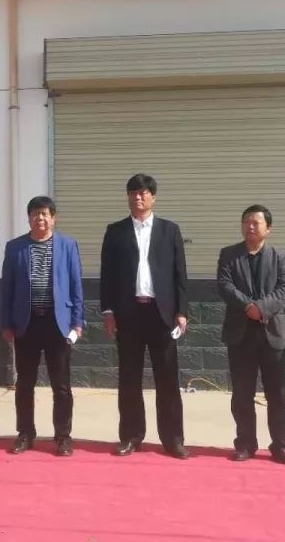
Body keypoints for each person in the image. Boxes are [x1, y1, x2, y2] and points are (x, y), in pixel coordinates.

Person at [99, 174, 189, 459]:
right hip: (129, 314)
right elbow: (107, 275)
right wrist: (108, 311)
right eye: (133, 193)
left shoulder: (169, 230)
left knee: (167, 379)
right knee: (129, 379)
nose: (137, 197)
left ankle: (173, 440)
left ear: (153, 197)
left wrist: (182, 311)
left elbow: (180, 274)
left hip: (161, 314)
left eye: (143, 193)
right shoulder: (115, 231)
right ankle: (131, 436)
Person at [1, 196, 84, 457]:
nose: (40, 218)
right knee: (25, 384)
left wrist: (77, 322)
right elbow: (7, 289)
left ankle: (63, 436)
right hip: (26, 323)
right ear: (29, 218)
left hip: (57, 323)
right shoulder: (15, 248)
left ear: (53, 218)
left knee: (61, 385)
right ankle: (25, 433)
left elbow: (76, 286)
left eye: (45, 213)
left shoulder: (67, 246)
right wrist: (6, 323)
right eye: (35, 213)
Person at [216, 205, 285, 464]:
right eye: (246, 222)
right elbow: (225, 286)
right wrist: (247, 306)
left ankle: (280, 445)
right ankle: (245, 443)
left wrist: (261, 308)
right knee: (242, 393)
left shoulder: (280, 257)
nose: (250, 226)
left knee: (278, 394)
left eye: (256, 223)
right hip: (241, 334)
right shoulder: (229, 255)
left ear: (268, 228)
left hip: (273, 333)